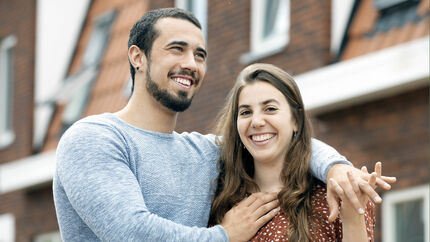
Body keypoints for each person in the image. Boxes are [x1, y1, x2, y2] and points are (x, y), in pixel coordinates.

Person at [53, 8, 395, 241]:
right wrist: (225, 236)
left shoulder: (201, 153)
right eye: (177, 49)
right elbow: (131, 232)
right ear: (137, 57)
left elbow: (276, 138)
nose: (191, 64)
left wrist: (336, 169)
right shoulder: (94, 139)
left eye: (199, 55)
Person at [210, 63, 382, 241]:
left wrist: (353, 216)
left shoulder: (332, 195)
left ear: (296, 121)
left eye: (270, 109)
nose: (256, 121)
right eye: (246, 112)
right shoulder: (218, 199)